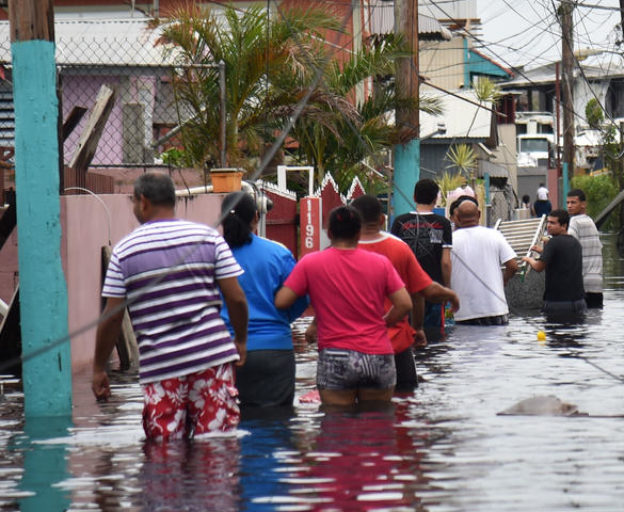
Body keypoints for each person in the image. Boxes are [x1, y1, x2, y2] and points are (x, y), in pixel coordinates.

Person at [93, 172, 249, 441]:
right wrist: (241, 339)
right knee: (216, 449)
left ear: (143, 202)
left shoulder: (124, 250)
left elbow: (112, 315)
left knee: (165, 455)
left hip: (161, 367)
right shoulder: (208, 238)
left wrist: (98, 368)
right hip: (211, 360)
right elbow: (236, 298)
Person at [274, 205, 412, 406]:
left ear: (329, 233)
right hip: (377, 353)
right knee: (378, 424)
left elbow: (282, 301)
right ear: (358, 232)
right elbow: (405, 304)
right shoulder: (380, 263)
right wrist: (384, 323)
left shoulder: (310, 263)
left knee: (336, 428)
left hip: (335, 354)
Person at [351, 194, 459, 393]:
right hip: (394, 345)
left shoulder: (338, 252)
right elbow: (419, 292)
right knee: (404, 405)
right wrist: (417, 327)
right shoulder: (399, 248)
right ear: (383, 219)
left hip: (349, 347)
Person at [219, 191, 308, 409]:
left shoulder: (211, 254)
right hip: (274, 351)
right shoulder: (278, 253)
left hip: (222, 352)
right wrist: (281, 319)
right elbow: (301, 297)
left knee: (225, 428)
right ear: (256, 217)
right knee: (277, 425)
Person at [391, 179, 455, 341]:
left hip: (404, 291)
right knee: (434, 337)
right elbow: (445, 262)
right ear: (436, 199)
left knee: (407, 335)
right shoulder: (443, 224)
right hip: (433, 288)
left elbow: (393, 259)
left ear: (414, 197)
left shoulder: (400, 222)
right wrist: (446, 288)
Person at [448, 198, 519, 326]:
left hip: (465, 312)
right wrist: (504, 280)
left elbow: (445, 268)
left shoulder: (450, 241)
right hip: (496, 309)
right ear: (479, 215)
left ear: (457, 217)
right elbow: (513, 266)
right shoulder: (495, 235)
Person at [521, 209, 586, 324]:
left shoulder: (553, 243)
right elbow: (561, 258)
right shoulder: (575, 243)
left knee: (555, 337)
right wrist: (543, 252)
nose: (548, 226)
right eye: (548, 223)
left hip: (557, 303)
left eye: (553, 223)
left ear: (564, 226)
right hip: (578, 302)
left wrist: (528, 259)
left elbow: (538, 267)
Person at [566, 188, 604, 308]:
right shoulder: (590, 221)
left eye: (573, 202)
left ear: (583, 204)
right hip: (597, 282)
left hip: (583, 283)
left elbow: (569, 246)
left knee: (581, 322)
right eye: (568, 203)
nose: (569, 206)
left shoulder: (574, 222)